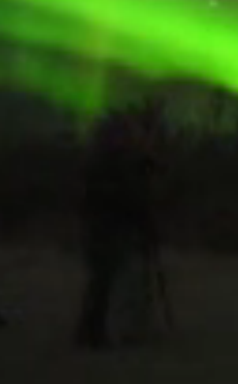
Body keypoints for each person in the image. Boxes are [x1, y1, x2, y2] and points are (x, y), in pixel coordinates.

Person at [75, 101, 161, 349]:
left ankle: (98, 331)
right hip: (108, 227)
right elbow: (122, 194)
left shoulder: (107, 160)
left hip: (108, 227)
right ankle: (94, 332)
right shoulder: (108, 163)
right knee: (104, 281)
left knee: (105, 281)